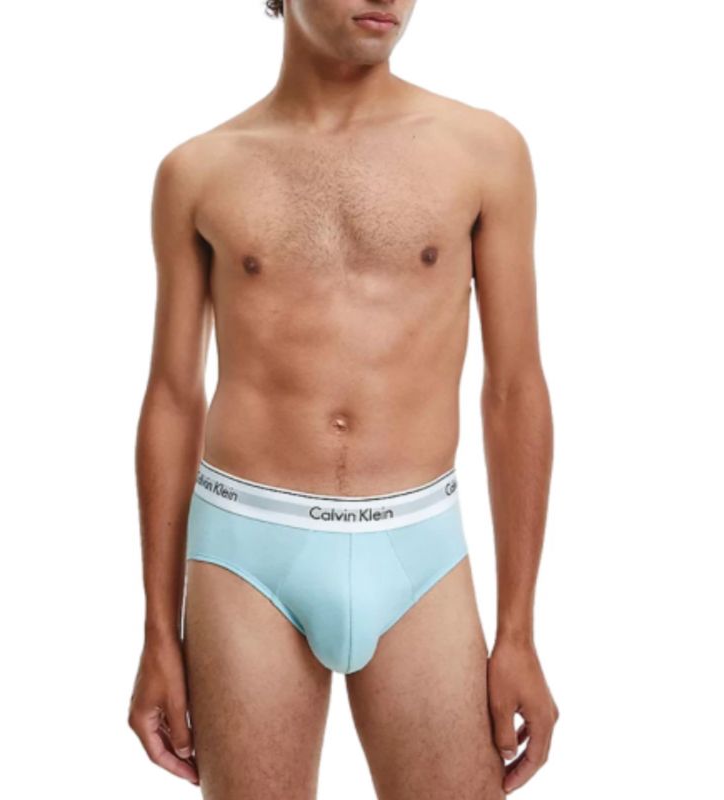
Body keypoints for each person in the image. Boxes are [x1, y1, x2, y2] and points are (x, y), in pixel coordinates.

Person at [128, 1, 559, 797]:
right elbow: (173, 396)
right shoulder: (199, 171)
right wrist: (159, 632)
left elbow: (514, 390)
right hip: (248, 554)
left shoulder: (483, 153)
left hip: (419, 550)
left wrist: (519, 632)